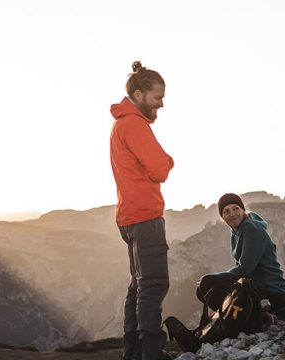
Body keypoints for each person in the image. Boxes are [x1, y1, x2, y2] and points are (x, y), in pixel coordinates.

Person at [110, 61, 174, 360]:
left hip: (129, 215)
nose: (161, 103)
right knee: (154, 284)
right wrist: (168, 161)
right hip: (145, 215)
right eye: (157, 97)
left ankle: (132, 352)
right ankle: (151, 353)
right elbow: (160, 167)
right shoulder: (134, 124)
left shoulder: (123, 123)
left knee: (138, 286)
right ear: (138, 94)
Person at [197, 193, 285, 319]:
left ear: (243, 209)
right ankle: (234, 317)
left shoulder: (252, 230)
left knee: (206, 283)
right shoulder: (236, 231)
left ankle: (249, 318)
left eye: (236, 208)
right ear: (222, 217)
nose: (232, 214)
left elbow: (245, 269)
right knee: (202, 290)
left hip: (271, 293)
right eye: (226, 211)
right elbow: (239, 265)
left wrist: (213, 278)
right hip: (255, 288)